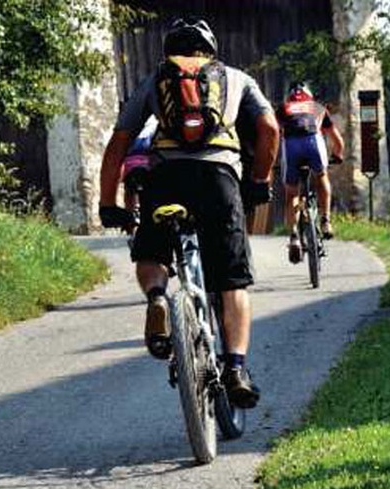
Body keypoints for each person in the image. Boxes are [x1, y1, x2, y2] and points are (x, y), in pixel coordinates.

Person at [98, 17, 280, 409]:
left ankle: (159, 297)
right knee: (231, 282)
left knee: (153, 255)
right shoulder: (235, 78)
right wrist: (260, 180)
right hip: (218, 178)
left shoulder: (154, 80)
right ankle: (235, 369)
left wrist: (108, 203)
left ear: (170, 52)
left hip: (166, 178)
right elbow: (269, 128)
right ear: (210, 50)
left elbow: (118, 144)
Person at [277, 82, 345, 264]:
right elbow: (337, 140)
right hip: (313, 142)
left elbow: (274, 133)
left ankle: (293, 236)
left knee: (292, 192)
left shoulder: (284, 108)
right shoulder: (318, 108)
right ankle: (325, 221)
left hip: (291, 146)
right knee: (322, 176)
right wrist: (338, 155)